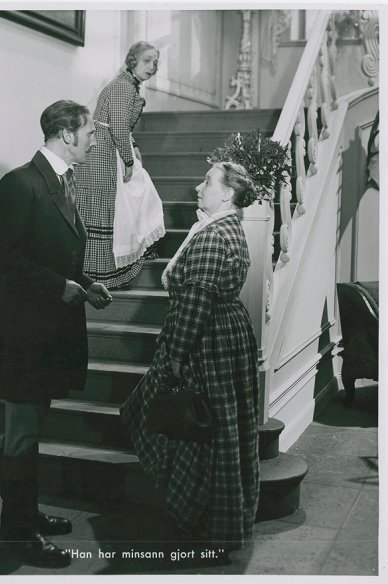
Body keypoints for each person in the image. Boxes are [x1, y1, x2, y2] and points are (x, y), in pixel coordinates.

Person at [0, 100, 112, 568]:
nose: (94, 139)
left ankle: (26, 515)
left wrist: (82, 283)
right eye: (90, 132)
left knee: (32, 430)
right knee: (20, 437)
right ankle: (18, 534)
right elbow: (5, 255)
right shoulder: (20, 182)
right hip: (23, 335)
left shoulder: (60, 180)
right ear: (65, 133)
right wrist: (59, 286)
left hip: (47, 332)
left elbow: (56, 252)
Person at [120, 161, 260, 551]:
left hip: (208, 341)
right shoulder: (223, 227)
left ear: (227, 194)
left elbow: (196, 302)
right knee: (218, 430)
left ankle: (201, 518)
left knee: (198, 433)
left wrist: (177, 357)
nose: (199, 187)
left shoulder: (213, 236)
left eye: (207, 182)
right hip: (224, 335)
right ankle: (216, 517)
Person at [74, 41, 165, 290]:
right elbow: (118, 126)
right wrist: (127, 158)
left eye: (156, 62)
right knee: (107, 208)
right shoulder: (122, 87)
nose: (153, 66)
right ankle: (101, 275)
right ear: (132, 60)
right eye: (147, 60)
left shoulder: (128, 86)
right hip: (103, 152)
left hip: (108, 147)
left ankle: (134, 250)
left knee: (134, 196)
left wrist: (132, 148)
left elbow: (122, 126)